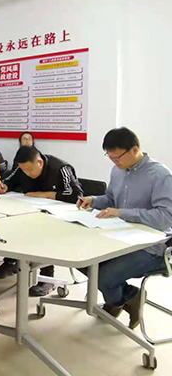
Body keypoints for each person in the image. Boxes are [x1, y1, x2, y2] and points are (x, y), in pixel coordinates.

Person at [77, 127, 172, 328]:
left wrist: (121, 213)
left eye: (117, 157)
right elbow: (112, 199)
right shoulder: (118, 170)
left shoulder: (161, 175)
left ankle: (118, 299)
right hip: (119, 236)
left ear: (135, 150)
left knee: (104, 277)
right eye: (110, 157)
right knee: (80, 257)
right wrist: (93, 200)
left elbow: (165, 218)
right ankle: (126, 297)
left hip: (152, 247)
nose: (115, 162)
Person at [0, 145, 83, 296]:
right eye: (23, 170)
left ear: (40, 163)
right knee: (10, 222)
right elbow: (10, 180)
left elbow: (76, 194)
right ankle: (12, 262)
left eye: (29, 170)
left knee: (44, 231)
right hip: (28, 211)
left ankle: (47, 277)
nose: (26, 173)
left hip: (56, 217)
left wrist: (46, 194)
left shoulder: (61, 168)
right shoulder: (23, 167)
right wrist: (4, 186)